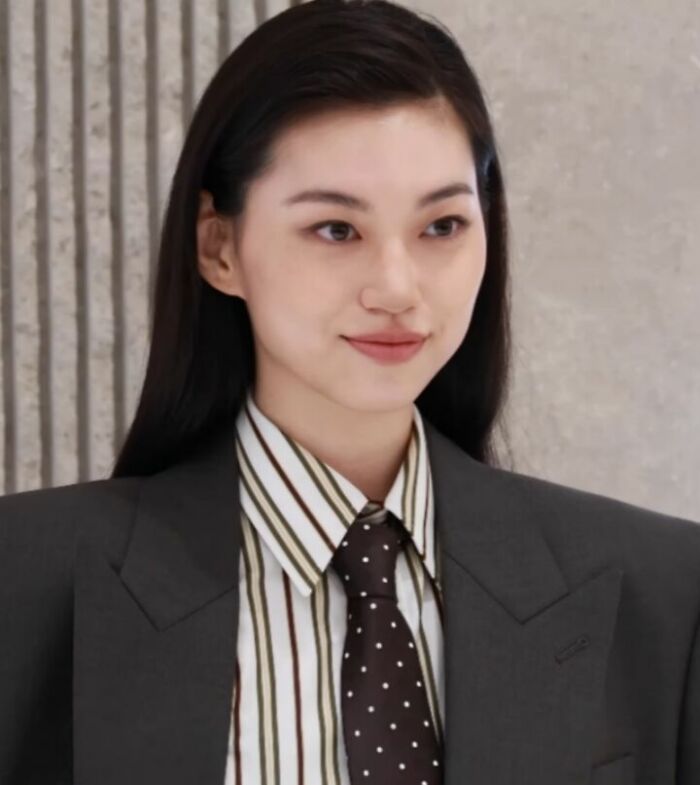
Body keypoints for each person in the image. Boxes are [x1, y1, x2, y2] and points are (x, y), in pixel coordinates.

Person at [1, 0, 698, 783]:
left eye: (442, 226)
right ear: (219, 245)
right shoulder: (21, 582)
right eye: (336, 229)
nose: (397, 288)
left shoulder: (663, 594)